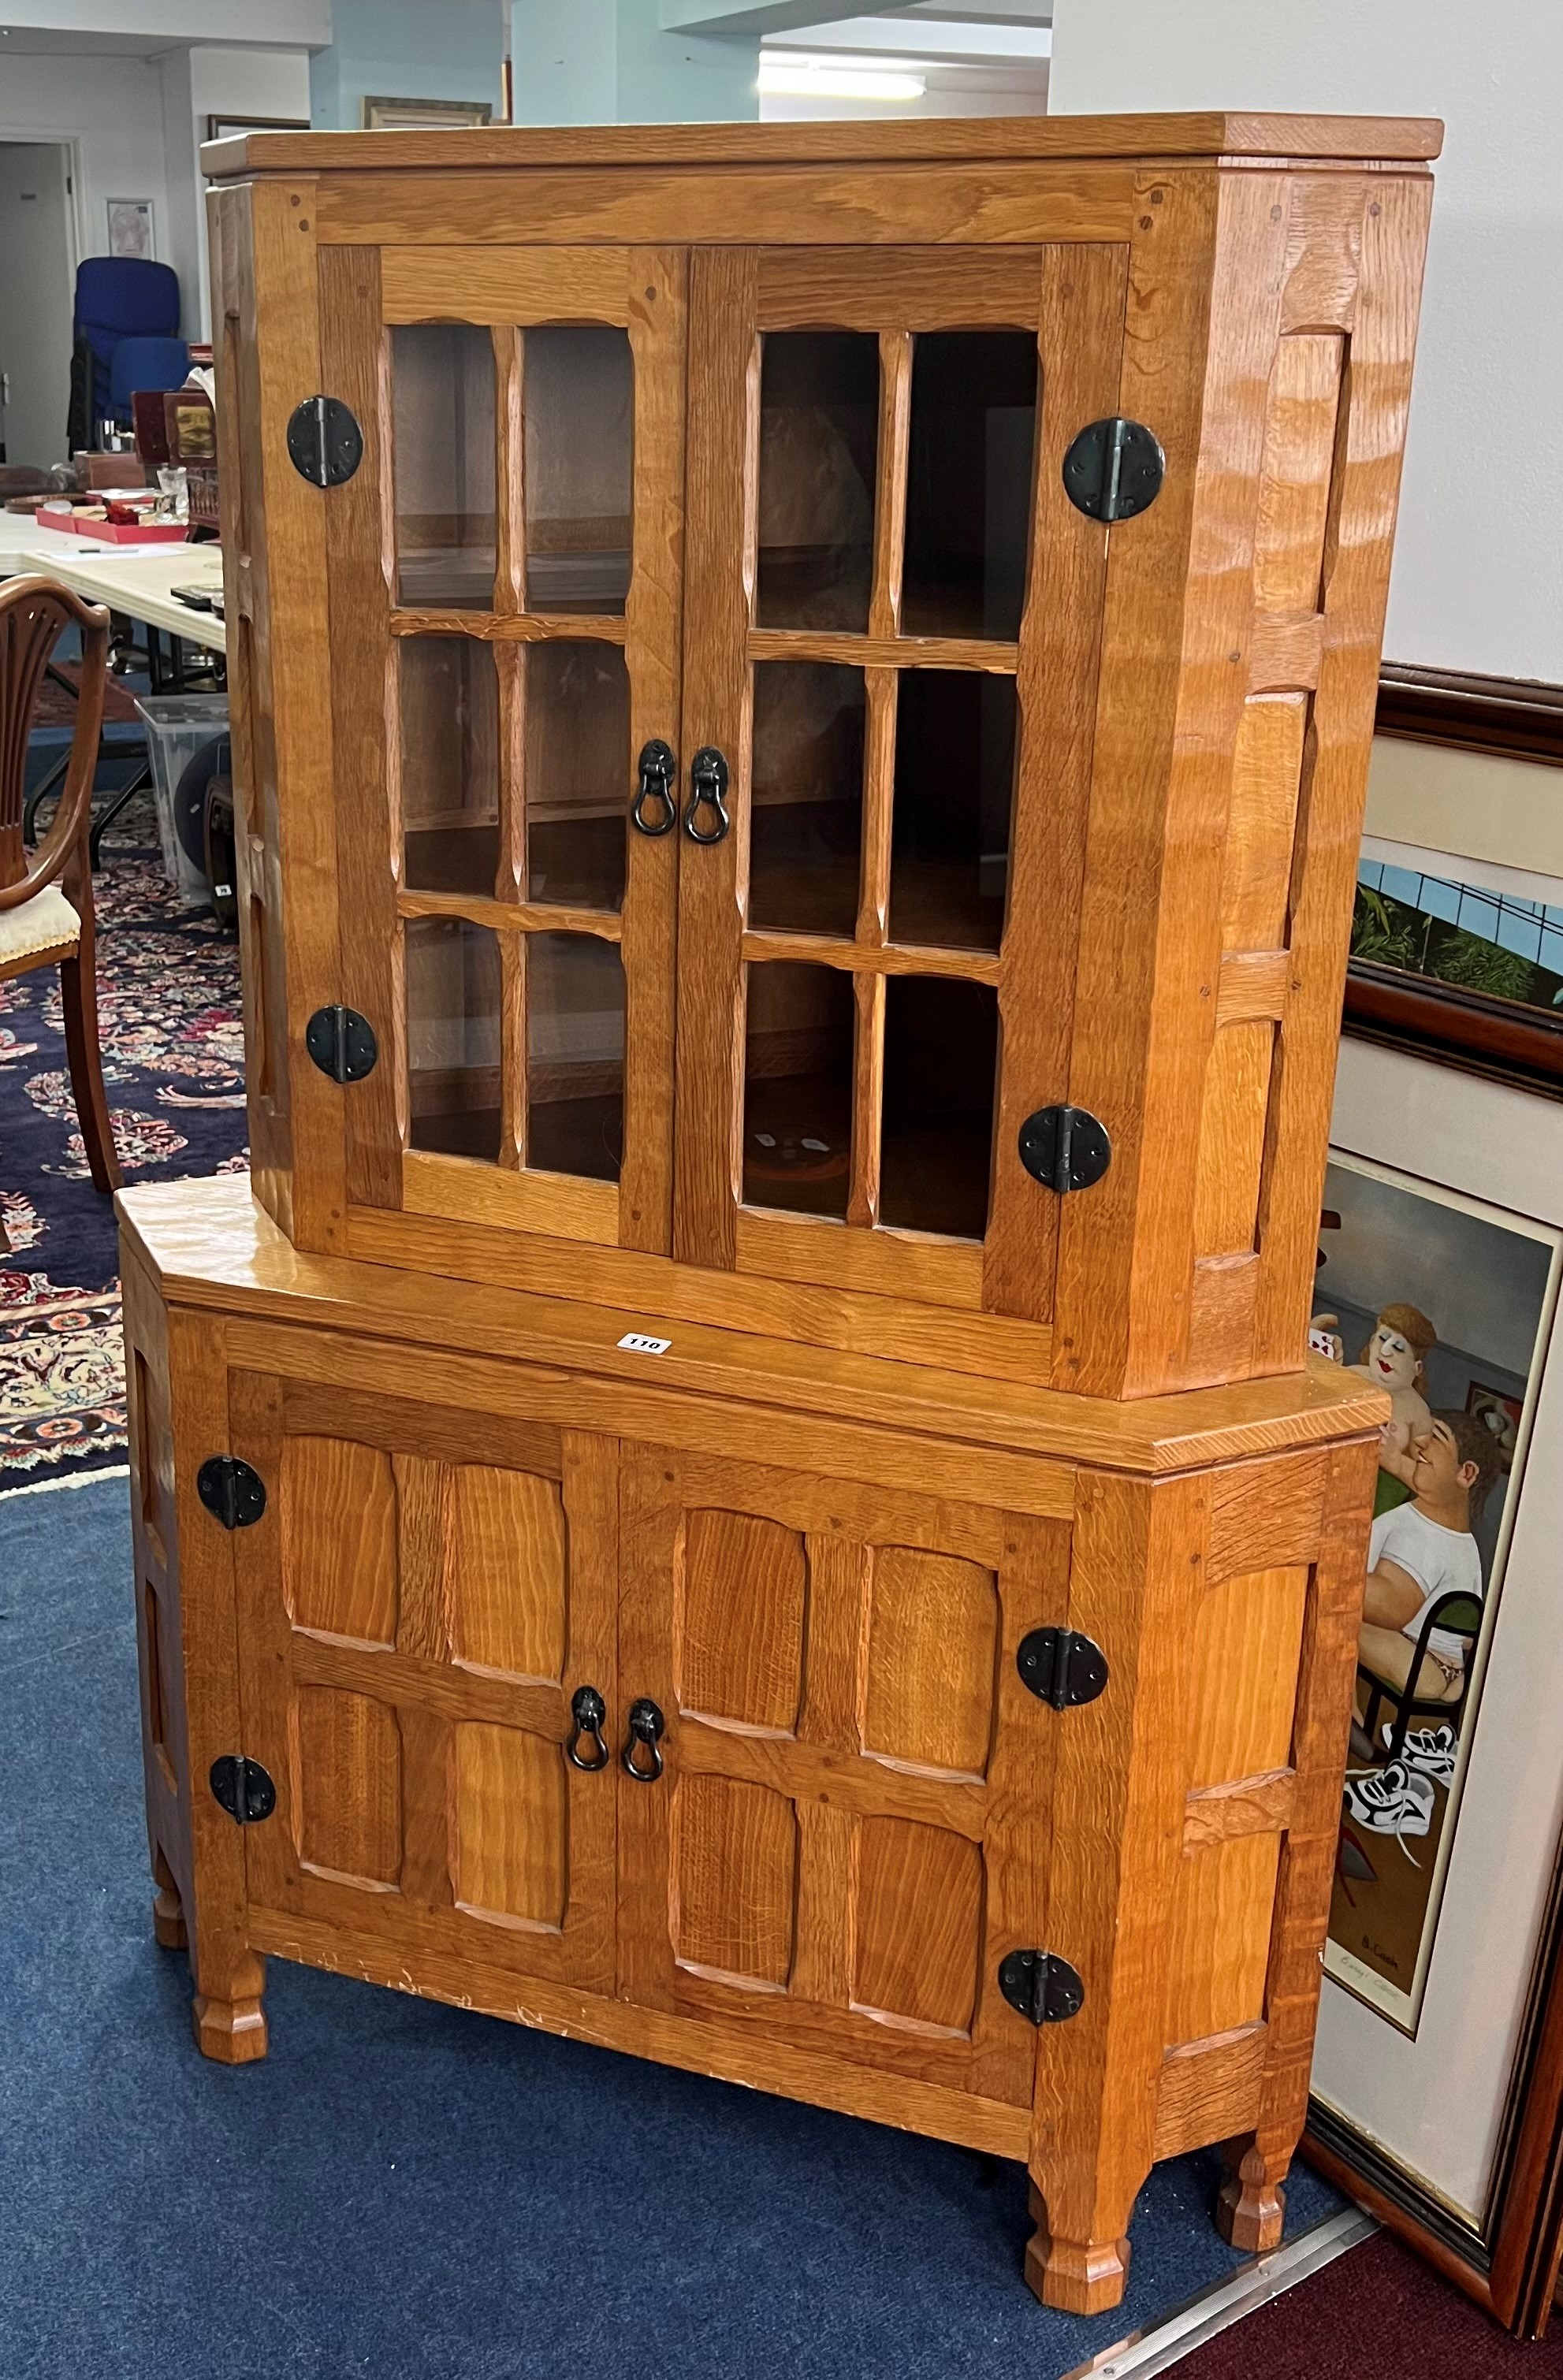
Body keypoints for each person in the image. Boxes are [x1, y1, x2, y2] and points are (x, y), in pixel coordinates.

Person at [1358, 1410, 1499, 1711]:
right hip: (1427, 1654)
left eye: (1436, 1438)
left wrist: (1330, 1562)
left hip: (1421, 1660)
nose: (1420, 1441)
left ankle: (1344, 1725)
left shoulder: (1428, 1536)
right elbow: (1420, 1473)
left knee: (1322, 1617)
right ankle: (1351, 1720)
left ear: (1467, 1474)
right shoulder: (1443, 1519)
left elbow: (1389, 1607)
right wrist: (1393, 1459)